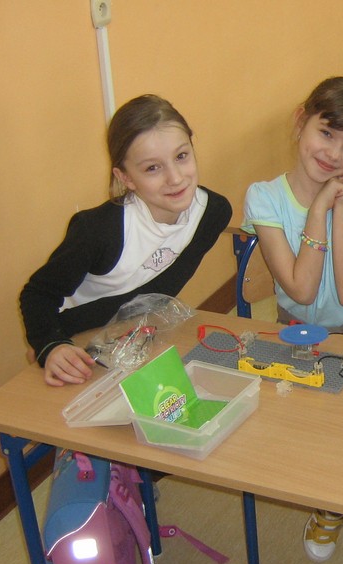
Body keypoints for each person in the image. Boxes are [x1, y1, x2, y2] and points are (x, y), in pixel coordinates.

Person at [241, 76, 343, 563]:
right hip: (300, 338)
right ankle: (330, 505)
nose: (333, 154)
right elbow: (300, 289)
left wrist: (339, 209)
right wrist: (319, 207)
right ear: (300, 121)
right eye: (326, 133)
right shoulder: (264, 197)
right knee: (318, 436)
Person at [20, 94, 232, 387]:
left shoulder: (213, 213)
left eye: (181, 156)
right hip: (76, 336)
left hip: (128, 330)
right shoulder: (97, 231)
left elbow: (160, 287)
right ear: (126, 178)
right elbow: (38, 294)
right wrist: (50, 344)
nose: (175, 178)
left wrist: (128, 329)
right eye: (152, 168)